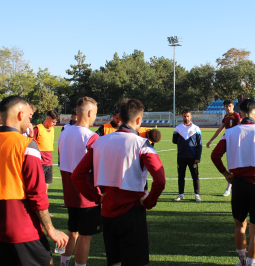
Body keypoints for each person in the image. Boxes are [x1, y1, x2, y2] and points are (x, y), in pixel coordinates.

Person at [71, 99, 166, 266]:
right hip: (133, 211)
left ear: (120, 117)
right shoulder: (141, 143)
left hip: (107, 211)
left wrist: (96, 197)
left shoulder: (99, 141)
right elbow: (159, 179)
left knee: (114, 261)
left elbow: (77, 175)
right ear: (138, 120)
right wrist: (149, 201)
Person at [0, 96, 68, 265]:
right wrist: (50, 229)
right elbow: (37, 193)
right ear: (20, 114)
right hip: (21, 228)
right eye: (29, 115)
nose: (31, 118)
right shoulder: (25, 145)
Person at [211, 99, 255, 266]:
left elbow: (215, 155)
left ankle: (242, 261)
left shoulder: (230, 132)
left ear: (240, 115)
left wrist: (226, 174)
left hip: (239, 184)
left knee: (239, 227)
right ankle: (251, 264)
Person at [58, 97, 102, 266]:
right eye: (95, 114)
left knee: (72, 230)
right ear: (90, 113)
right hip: (87, 194)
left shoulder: (63, 133)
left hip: (69, 192)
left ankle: (63, 263)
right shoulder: (92, 137)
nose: (95, 118)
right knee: (85, 235)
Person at [207, 99, 241, 197]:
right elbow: (220, 130)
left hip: (234, 140)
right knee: (215, 155)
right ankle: (227, 177)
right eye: (226, 106)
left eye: (229, 105)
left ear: (233, 106)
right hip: (226, 138)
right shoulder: (226, 117)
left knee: (233, 164)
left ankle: (229, 188)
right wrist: (211, 140)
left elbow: (240, 127)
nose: (228, 107)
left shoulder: (236, 115)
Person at [173, 109, 203, 202]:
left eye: (188, 116)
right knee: (181, 176)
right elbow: (174, 140)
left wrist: (198, 157)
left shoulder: (196, 128)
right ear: (182, 116)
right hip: (181, 157)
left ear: (191, 116)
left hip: (193, 157)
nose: (186, 118)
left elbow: (200, 144)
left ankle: (197, 195)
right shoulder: (178, 128)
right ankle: (181, 194)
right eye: (184, 116)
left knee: (195, 176)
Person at [32, 110, 59, 192]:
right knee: (39, 186)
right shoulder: (37, 129)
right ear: (48, 118)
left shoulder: (52, 129)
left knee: (46, 185)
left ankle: (44, 202)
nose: (54, 124)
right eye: (53, 122)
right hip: (40, 162)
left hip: (49, 162)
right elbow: (31, 144)